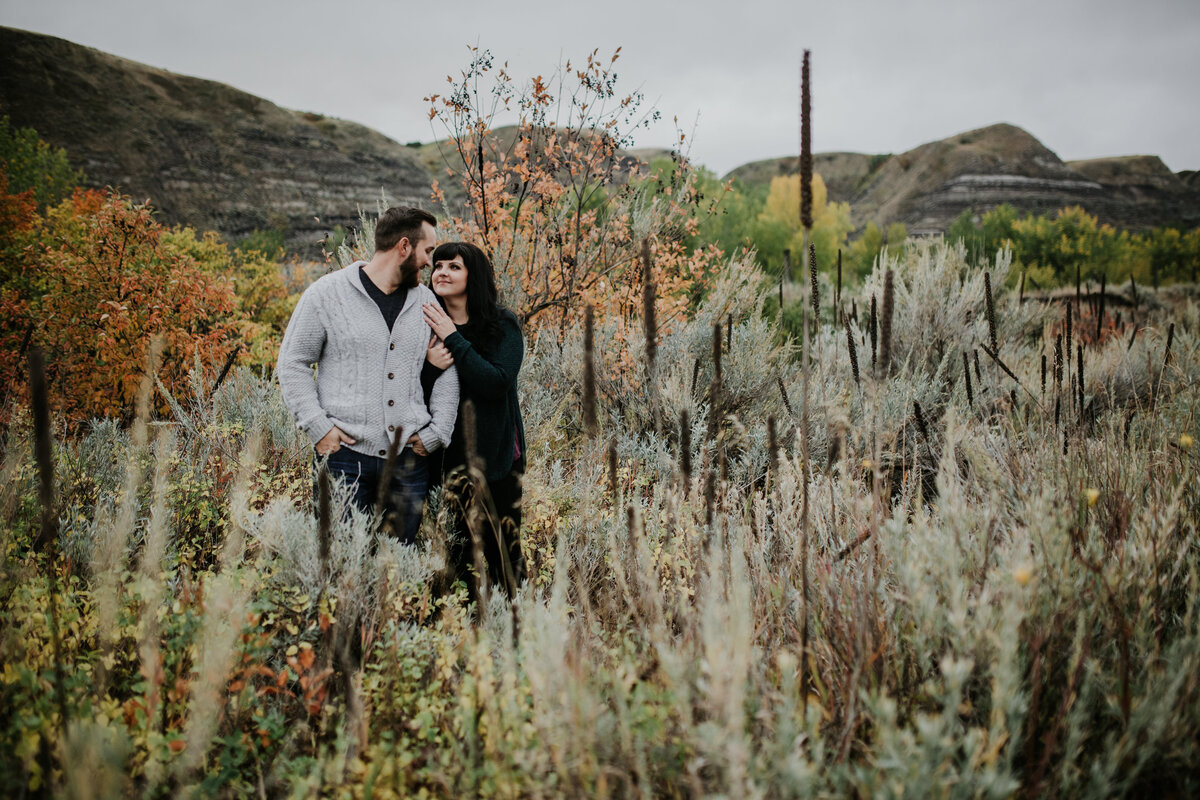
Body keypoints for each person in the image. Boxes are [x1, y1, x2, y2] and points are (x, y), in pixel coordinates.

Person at [277, 206, 458, 543]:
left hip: (409, 463)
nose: (429, 262)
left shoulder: (428, 303)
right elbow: (293, 363)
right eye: (428, 251)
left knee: (399, 567)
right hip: (343, 459)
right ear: (404, 247)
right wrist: (319, 427)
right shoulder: (326, 294)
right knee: (341, 565)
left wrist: (437, 433)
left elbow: (449, 367)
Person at [421, 242, 526, 599]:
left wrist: (453, 336)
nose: (442, 273)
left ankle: (513, 620)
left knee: (503, 550)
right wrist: (428, 366)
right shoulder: (422, 325)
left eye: (454, 266)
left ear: (473, 275)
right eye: (437, 265)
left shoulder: (502, 324)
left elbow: (495, 382)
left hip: (498, 462)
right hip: (446, 458)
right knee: (458, 550)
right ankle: (464, 624)